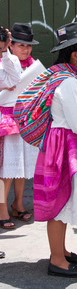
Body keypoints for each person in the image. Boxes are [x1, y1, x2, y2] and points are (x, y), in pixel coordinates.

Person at [30, 22, 77, 278]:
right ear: (74, 53)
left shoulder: (68, 77)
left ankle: (60, 251)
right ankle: (56, 260)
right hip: (65, 146)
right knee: (60, 203)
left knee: (62, 201)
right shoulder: (69, 83)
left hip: (62, 143)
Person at [0, 23, 43, 231]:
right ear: (11, 45)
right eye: (20, 45)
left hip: (26, 118)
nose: (25, 50)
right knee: (7, 168)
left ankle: (18, 203)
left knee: (22, 166)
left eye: (28, 46)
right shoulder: (4, 63)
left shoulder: (33, 66)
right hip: (6, 120)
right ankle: (2, 209)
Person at [0, 26, 22, 258]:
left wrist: (6, 52)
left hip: (5, 120)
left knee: (4, 172)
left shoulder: (7, 60)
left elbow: (14, 80)